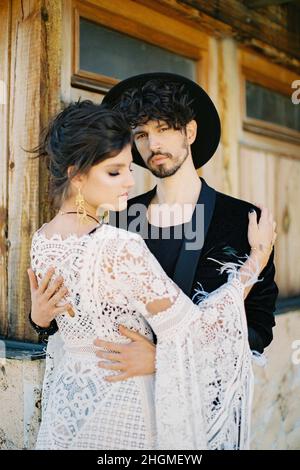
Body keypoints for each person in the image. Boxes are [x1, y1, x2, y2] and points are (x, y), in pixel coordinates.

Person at [28, 99, 276, 450]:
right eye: (115, 171)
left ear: (190, 132)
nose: (130, 180)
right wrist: (257, 260)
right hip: (126, 414)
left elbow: (80, 318)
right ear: (76, 175)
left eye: (129, 168)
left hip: (68, 412)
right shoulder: (121, 240)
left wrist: (39, 320)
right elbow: (199, 330)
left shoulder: (42, 240)